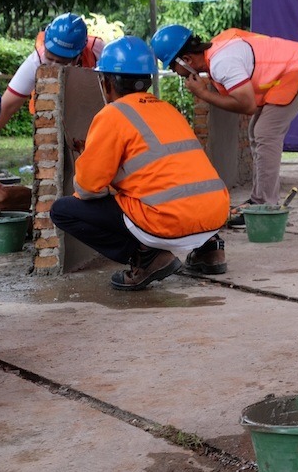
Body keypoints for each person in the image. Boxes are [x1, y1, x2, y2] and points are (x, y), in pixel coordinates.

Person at [50, 37, 230, 290]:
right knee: (179, 193)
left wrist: (90, 160)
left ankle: (147, 258)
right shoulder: (168, 109)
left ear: (107, 82)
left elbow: (88, 189)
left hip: (169, 222)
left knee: (63, 210)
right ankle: (211, 250)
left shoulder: (112, 114)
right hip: (214, 213)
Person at [150, 24, 298, 228]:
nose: (175, 73)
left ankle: (265, 207)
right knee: (256, 131)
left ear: (185, 60)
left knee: (265, 133)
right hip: (292, 67)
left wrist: (203, 94)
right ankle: (259, 200)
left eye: (172, 66)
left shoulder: (222, 63)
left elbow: (247, 105)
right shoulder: (216, 54)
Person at [0, 13, 105, 140]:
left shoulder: (98, 52)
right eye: (50, 59)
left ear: (79, 54)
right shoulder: (35, 62)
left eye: (62, 62)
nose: (53, 66)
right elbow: (7, 107)